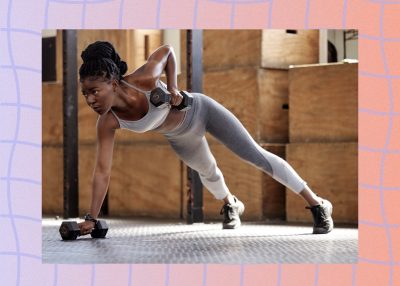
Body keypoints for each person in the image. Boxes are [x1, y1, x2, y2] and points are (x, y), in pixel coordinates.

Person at [78, 41, 334, 235]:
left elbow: (167, 50)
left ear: (112, 83)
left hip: (201, 110)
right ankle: (231, 203)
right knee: (208, 171)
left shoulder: (144, 79)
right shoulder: (108, 122)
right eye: (85, 94)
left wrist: (174, 87)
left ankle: (318, 204)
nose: (89, 100)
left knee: (255, 155)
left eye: (94, 91)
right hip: (180, 136)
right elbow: (102, 172)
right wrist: (91, 217)